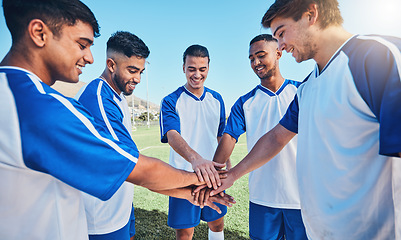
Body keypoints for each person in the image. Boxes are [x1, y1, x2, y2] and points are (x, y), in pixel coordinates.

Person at [0, 1, 234, 239]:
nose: (90, 58)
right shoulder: (40, 105)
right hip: (101, 220)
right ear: (39, 33)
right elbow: (135, 168)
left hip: (117, 208)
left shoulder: (27, 95)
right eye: (82, 44)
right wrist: (201, 181)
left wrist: (189, 190)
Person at [207, 0, 401, 239]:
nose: (281, 44)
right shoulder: (307, 88)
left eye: (281, 33)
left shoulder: (379, 57)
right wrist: (232, 175)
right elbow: (277, 138)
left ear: (311, 14)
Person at [213, 34, 307, 240]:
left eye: (261, 55)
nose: (255, 62)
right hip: (262, 197)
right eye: (251, 58)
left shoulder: (302, 92)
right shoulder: (244, 102)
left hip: (301, 198)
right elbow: (229, 138)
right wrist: (214, 180)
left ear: (279, 54)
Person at [75, 31, 146, 240]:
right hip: (102, 216)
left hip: (121, 203)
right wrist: (187, 185)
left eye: (141, 71)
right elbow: (128, 163)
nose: (138, 79)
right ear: (111, 65)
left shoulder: (119, 96)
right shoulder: (98, 97)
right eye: (133, 70)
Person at [159, 44, 227, 240]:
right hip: (183, 176)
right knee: (185, 232)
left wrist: (227, 166)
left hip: (214, 177)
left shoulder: (217, 99)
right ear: (183, 68)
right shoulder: (171, 100)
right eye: (191, 69)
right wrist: (195, 159)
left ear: (208, 68)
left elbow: (221, 136)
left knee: (217, 222)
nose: (197, 74)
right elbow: (172, 135)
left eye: (202, 69)